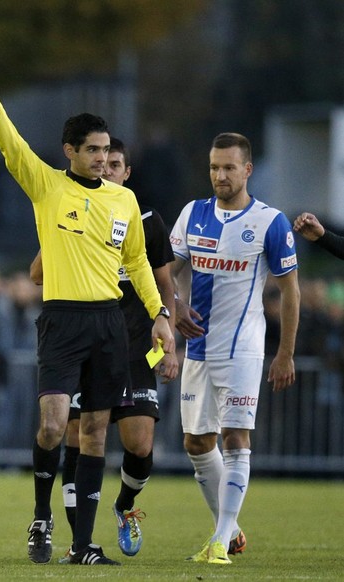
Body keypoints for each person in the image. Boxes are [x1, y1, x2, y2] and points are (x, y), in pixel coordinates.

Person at [0, 37, 175, 567]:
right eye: (94, 151)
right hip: (61, 319)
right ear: (71, 152)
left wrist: (160, 316)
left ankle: (82, 546)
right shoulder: (48, 187)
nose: (103, 159)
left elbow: (136, 265)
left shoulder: (124, 199)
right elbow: (9, 142)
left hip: (108, 323)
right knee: (55, 426)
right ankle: (41, 518)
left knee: (96, 432)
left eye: (108, 152)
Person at [29, 138, 179, 561]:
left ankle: (123, 506)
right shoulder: (72, 208)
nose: (106, 168)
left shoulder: (142, 217)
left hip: (133, 347)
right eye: (100, 159)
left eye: (115, 163)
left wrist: (166, 329)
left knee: (139, 443)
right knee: (71, 431)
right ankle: (76, 537)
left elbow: (163, 281)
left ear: (126, 172)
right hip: (78, 335)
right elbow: (37, 273)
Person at [171, 132, 300, 564]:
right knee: (195, 442)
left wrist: (285, 353)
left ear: (247, 170)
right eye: (213, 167)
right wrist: (173, 307)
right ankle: (232, 530)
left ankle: (220, 540)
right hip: (198, 349)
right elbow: (164, 271)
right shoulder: (193, 214)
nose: (220, 175)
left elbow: (291, 291)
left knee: (235, 438)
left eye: (228, 167)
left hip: (243, 349)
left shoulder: (270, 221)